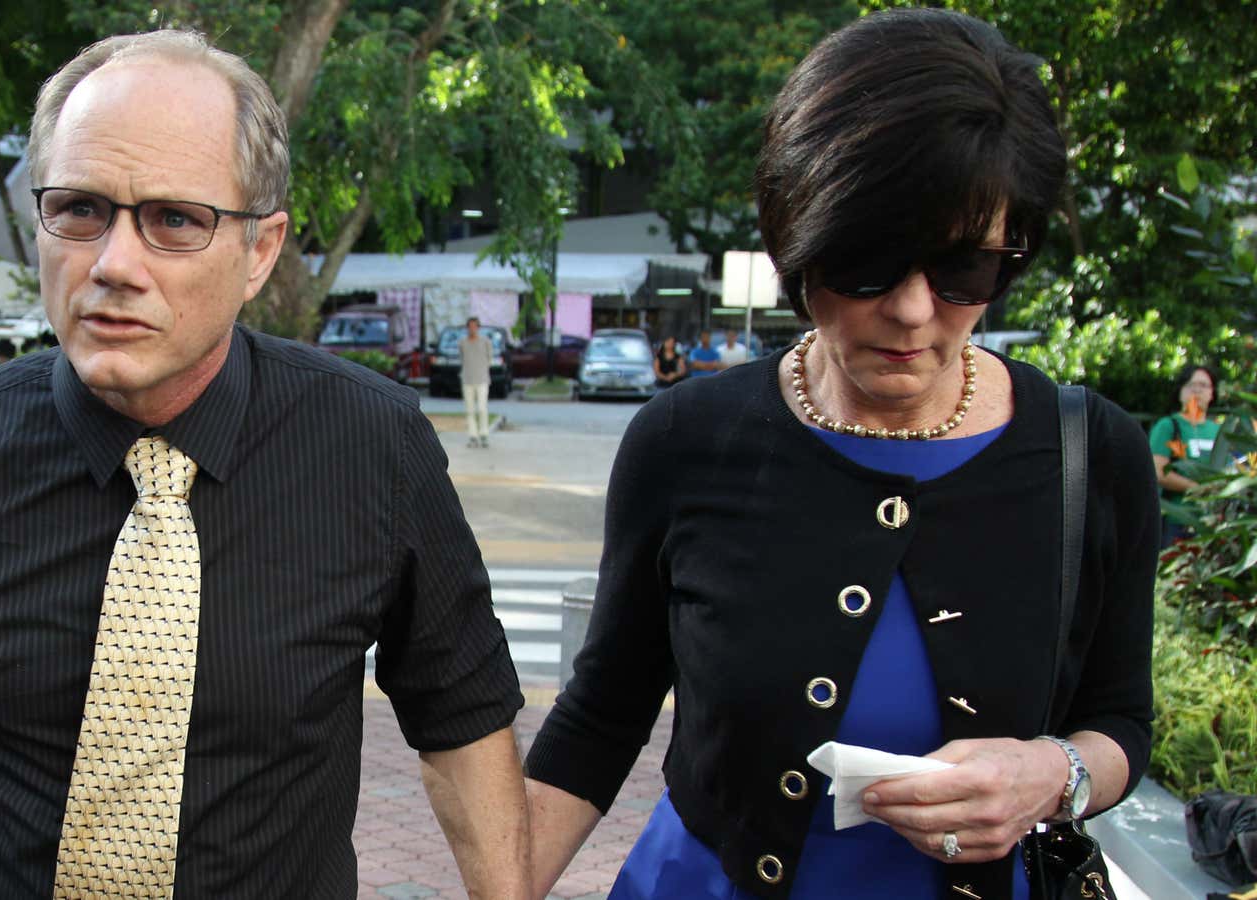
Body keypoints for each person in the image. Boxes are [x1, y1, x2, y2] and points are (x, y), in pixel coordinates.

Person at [0, 30, 529, 899]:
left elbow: (462, 727)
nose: (113, 265)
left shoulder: (375, 449)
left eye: (175, 220)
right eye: (79, 209)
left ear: (260, 250)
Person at [524, 10, 1158, 900]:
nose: (910, 311)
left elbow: (1121, 721)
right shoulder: (688, 438)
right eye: (864, 265)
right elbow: (603, 711)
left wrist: (1053, 776)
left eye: (962, 272)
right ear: (797, 240)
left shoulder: (1093, 457)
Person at [1149, 363, 1223, 546]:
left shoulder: (1222, 431)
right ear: (1180, 391)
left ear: (1212, 393)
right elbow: (1157, 472)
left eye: (1203, 385)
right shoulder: (1168, 426)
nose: (1196, 390)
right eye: (1191, 384)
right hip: (1180, 520)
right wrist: (1198, 488)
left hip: (1218, 521)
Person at [460, 316, 495, 448]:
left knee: (481, 408)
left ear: (478, 328)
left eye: (475, 326)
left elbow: (489, 358)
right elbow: (462, 358)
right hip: (467, 379)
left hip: (482, 379)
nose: (472, 329)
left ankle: (484, 434)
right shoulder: (463, 342)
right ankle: (473, 435)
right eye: (470, 326)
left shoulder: (485, 342)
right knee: (470, 410)